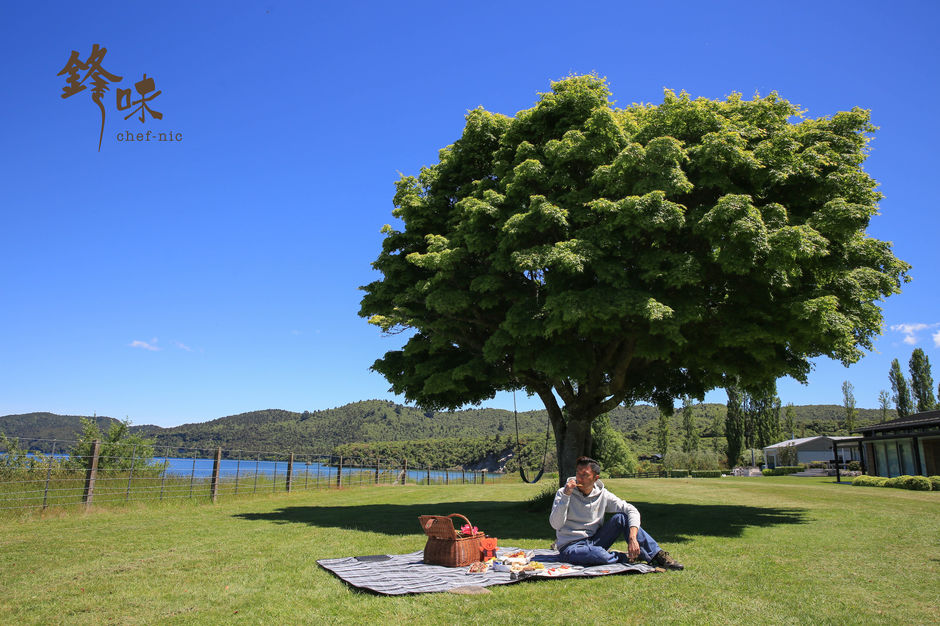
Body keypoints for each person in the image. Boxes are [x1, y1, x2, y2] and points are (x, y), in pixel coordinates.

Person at [549, 456, 684, 570]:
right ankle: (629, 557)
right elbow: (555, 524)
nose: (579, 478)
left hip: (595, 540)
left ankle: (657, 556)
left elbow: (631, 509)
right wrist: (566, 496)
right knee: (597, 555)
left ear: (595, 478)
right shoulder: (563, 493)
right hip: (571, 546)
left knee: (622, 518)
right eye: (578, 473)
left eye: (585, 475)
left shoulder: (603, 495)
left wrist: (632, 537)